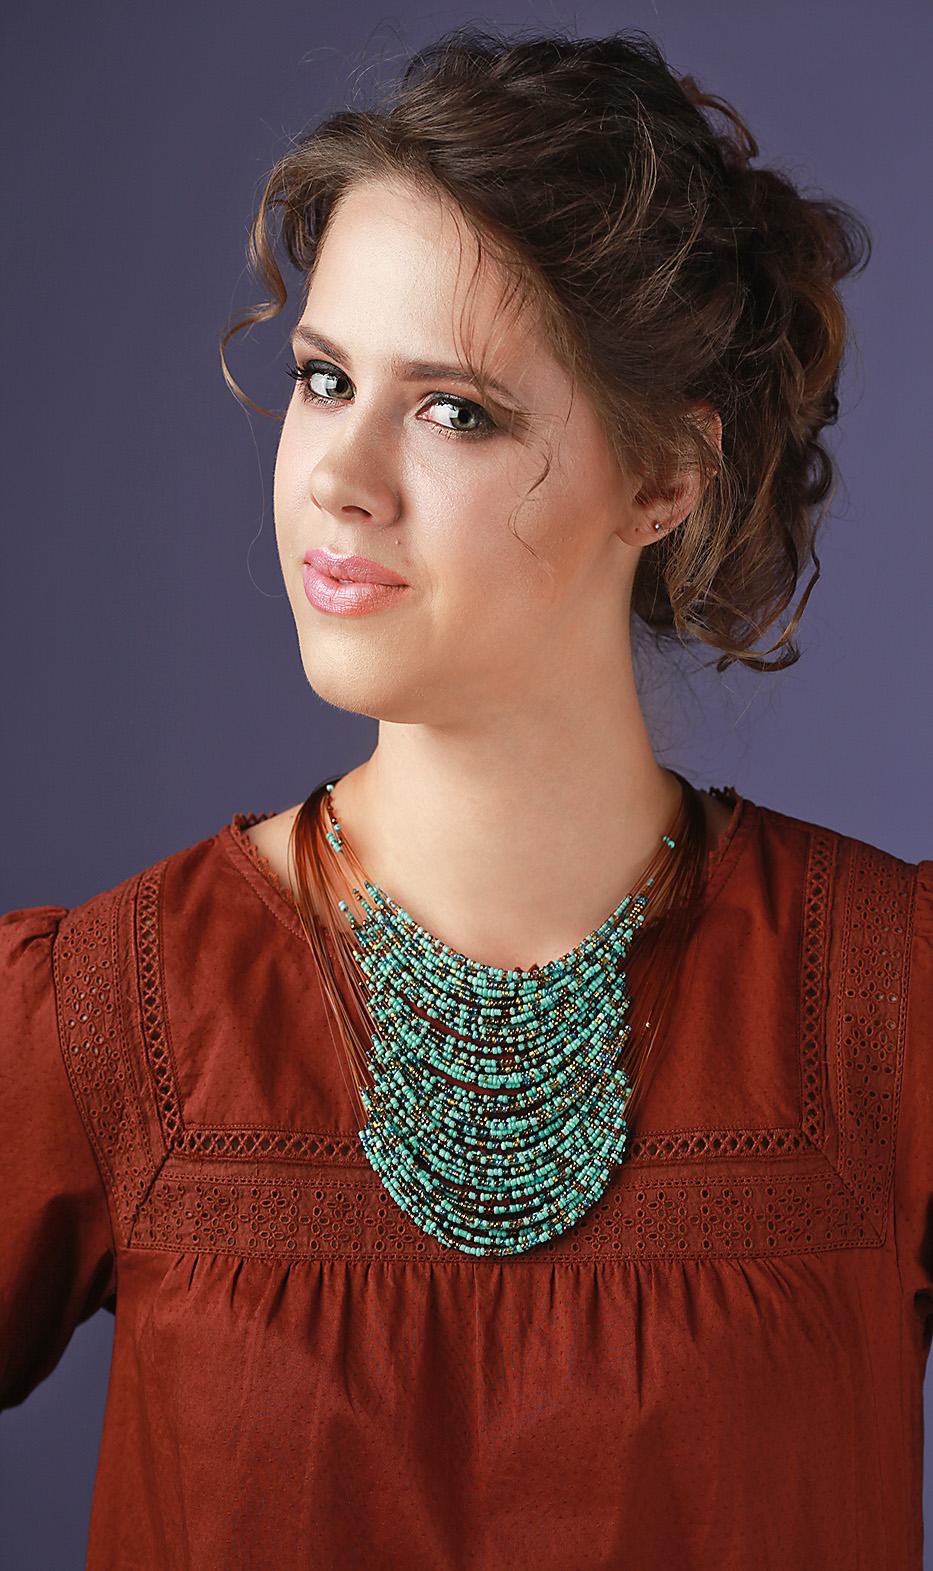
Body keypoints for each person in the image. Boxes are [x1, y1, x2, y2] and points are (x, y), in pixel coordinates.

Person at [1, 24, 930, 1571]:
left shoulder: (892, 1007)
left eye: (454, 411)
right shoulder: (105, 1013)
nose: (337, 477)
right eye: (322, 380)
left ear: (664, 477)